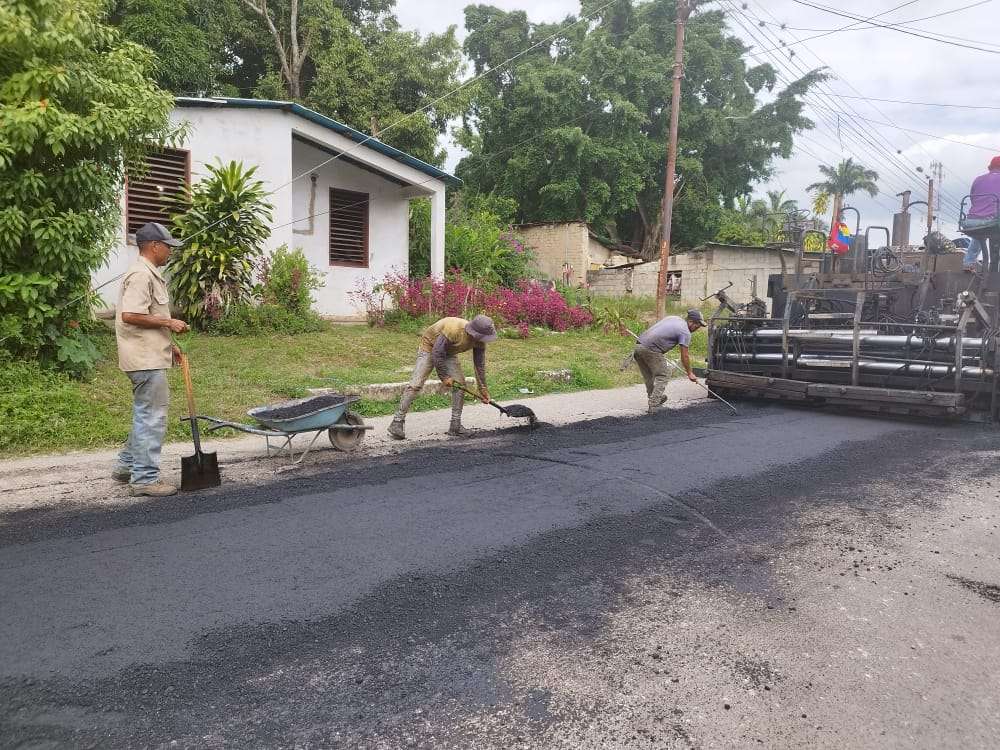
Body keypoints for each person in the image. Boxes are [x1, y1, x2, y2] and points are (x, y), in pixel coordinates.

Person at [112, 222, 189, 496]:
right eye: (168, 246)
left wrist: (171, 346)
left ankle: (125, 466)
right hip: (144, 360)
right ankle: (144, 479)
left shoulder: (148, 273)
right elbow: (130, 315)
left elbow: (146, 315)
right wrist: (170, 322)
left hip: (149, 354)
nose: (169, 251)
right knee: (152, 417)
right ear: (154, 246)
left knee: (144, 413)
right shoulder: (142, 275)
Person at [388, 315, 498, 439]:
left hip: (449, 353)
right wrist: (444, 376)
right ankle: (397, 422)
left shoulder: (480, 341)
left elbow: (479, 365)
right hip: (430, 347)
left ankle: (455, 426)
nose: (483, 340)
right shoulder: (453, 329)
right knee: (416, 385)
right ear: (474, 332)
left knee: (460, 385)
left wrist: (483, 388)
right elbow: (437, 353)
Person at [633, 309, 707, 413]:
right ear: (690, 321)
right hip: (650, 349)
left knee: (649, 376)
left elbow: (661, 331)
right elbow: (684, 355)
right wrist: (690, 373)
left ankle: (654, 397)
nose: (697, 328)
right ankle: (654, 404)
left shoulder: (674, 318)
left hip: (639, 346)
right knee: (664, 374)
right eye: (697, 326)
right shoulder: (685, 332)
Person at [962, 156, 1000, 273]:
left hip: (971, 220)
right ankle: (994, 270)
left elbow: (973, 199)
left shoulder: (978, 179)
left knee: (980, 234)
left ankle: (968, 262)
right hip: (991, 221)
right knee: (991, 227)